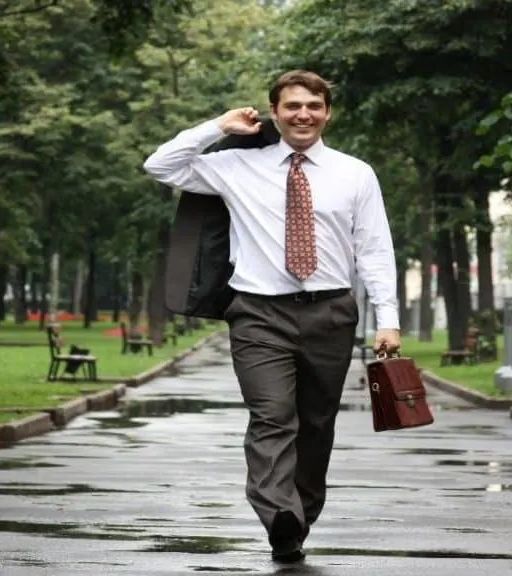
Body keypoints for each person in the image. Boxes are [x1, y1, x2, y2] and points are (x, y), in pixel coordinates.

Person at [143, 69, 401, 564]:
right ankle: (277, 512)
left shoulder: (355, 173)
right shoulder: (238, 164)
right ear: (274, 112)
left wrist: (386, 319)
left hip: (331, 312)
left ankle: (299, 515)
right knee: (271, 416)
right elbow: (161, 165)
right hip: (259, 314)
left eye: (314, 106)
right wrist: (218, 126)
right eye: (292, 106)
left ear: (328, 113)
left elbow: (374, 251)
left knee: (316, 423)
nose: (303, 114)